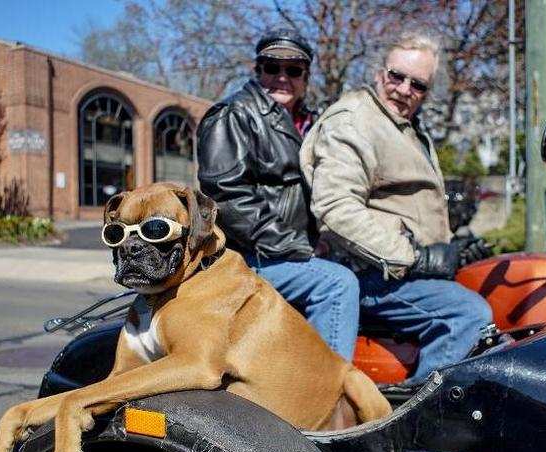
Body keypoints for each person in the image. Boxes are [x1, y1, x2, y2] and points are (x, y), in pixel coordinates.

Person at [300, 30, 493, 384]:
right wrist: (416, 257)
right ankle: (417, 426)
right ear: (379, 73)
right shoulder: (354, 121)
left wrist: (452, 249)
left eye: (417, 85)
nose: (404, 90)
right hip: (370, 272)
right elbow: (336, 207)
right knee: (467, 315)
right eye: (396, 76)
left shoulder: (404, 127)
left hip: (398, 271)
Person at [197, 28, 360, 360]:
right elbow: (229, 199)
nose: (282, 77)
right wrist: (299, 247)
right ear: (258, 71)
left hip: (286, 252)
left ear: (306, 77)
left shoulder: (310, 123)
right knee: (338, 285)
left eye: (294, 70)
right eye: (272, 67)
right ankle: (323, 399)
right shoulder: (234, 115)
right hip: (249, 258)